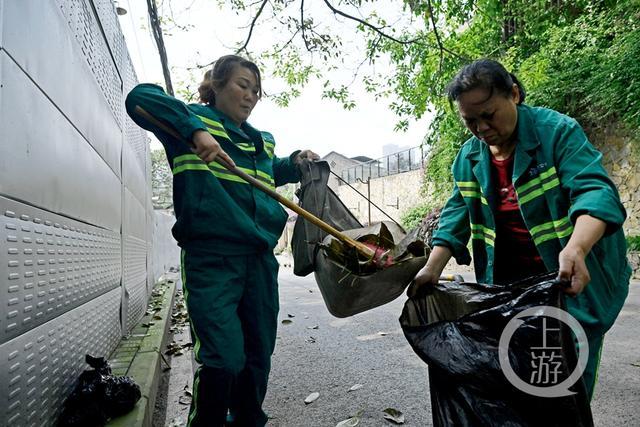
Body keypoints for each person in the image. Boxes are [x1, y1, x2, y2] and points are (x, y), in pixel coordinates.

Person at [410, 59, 631, 399]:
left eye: (489, 115)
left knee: (567, 373)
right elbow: (456, 212)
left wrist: (576, 248)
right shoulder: (469, 158)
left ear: (513, 94)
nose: (481, 128)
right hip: (511, 285)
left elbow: (594, 191)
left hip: (569, 276)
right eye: (470, 121)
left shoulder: (557, 133)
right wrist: (431, 268)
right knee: (515, 373)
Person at [125, 55, 318, 427]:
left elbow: (266, 173)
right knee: (224, 358)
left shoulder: (260, 141)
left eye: (256, 91)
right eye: (242, 85)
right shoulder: (189, 123)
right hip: (212, 259)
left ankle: (247, 420)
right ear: (216, 84)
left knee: (258, 355)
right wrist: (195, 131)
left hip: (259, 262)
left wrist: (294, 161)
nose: (250, 96)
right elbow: (138, 97)